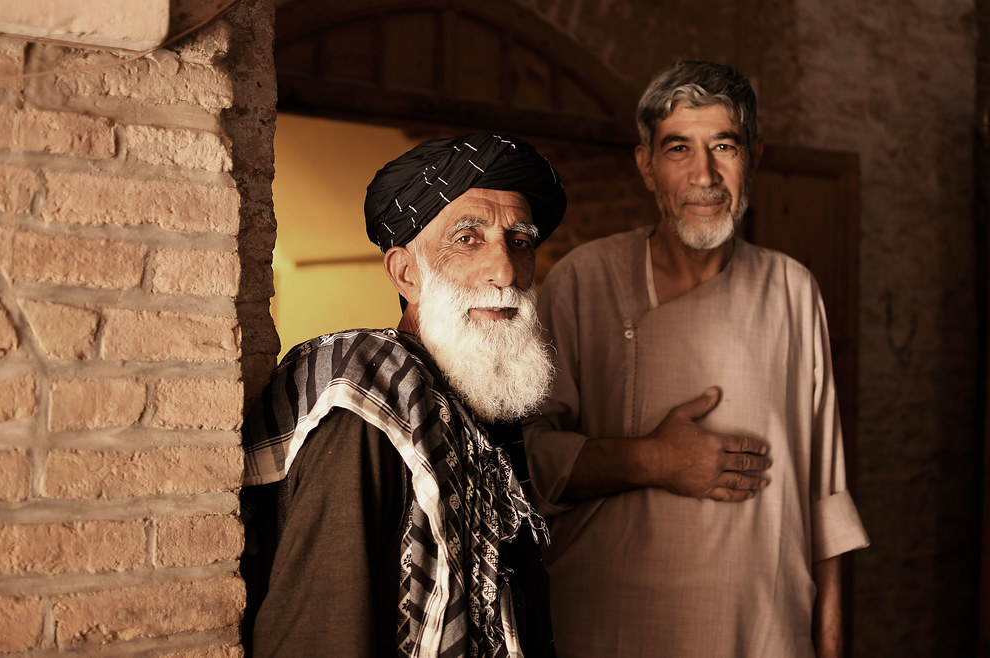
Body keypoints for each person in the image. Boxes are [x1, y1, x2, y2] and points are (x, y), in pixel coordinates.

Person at [522, 60, 870, 658]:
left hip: (765, 628)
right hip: (611, 628)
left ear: (753, 157)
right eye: (678, 147)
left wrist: (830, 643)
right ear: (647, 166)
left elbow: (825, 491)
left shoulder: (792, 289)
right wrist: (652, 459)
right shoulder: (584, 280)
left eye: (724, 146)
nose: (704, 174)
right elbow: (526, 463)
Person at [240, 133, 567, 657]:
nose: (505, 271)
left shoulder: (482, 406)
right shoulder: (368, 410)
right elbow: (323, 634)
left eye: (520, 242)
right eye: (468, 239)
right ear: (406, 272)